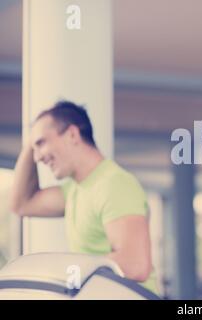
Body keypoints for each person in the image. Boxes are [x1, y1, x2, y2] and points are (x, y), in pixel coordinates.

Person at [9, 100, 157, 292]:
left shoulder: (114, 184)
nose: (37, 157)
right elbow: (21, 204)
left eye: (41, 143)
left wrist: (66, 271)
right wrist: (30, 143)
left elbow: (135, 264)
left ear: (72, 134)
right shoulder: (74, 190)